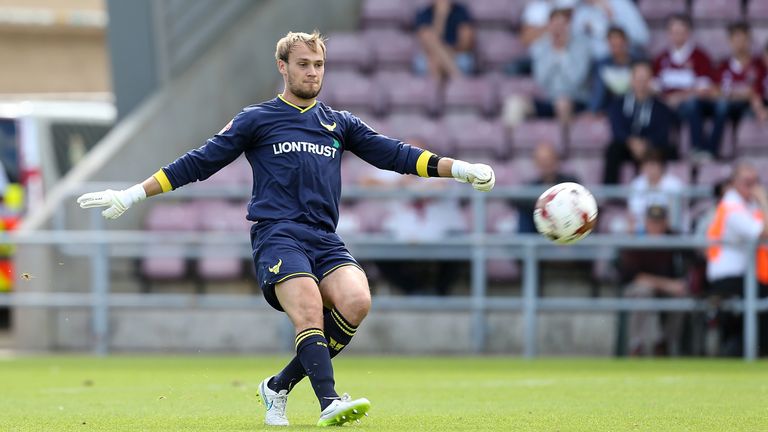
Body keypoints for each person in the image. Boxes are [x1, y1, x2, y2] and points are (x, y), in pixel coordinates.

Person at [76, 31, 495, 426]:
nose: (313, 72)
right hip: (277, 233)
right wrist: (133, 194)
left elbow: (396, 155)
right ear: (283, 67)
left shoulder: (339, 123)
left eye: (319, 65)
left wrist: (460, 169)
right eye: (303, 64)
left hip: (324, 237)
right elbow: (199, 162)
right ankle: (330, 402)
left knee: (356, 301)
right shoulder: (257, 119)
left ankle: (277, 387)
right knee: (310, 309)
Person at [706, 161, 768, 356]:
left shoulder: (746, 205)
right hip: (728, 276)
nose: (752, 186)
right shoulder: (731, 205)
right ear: (733, 183)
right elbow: (763, 232)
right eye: (746, 182)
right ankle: (743, 349)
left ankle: (746, 347)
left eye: (755, 181)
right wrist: (764, 199)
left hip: (744, 274)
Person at [621, 205, 688, 356]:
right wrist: (667, 285)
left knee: (682, 295)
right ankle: (637, 344)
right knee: (643, 292)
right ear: (645, 222)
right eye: (652, 222)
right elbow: (634, 276)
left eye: (659, 222)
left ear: (666, 223)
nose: (656, 227)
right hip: (642, 286)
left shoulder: (673, 239)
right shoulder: (636, 240)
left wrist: (676, 285)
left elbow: (691, 260)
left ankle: (665, 344)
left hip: (667, 288)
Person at [652, 14, 717, 160]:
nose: (677, 36)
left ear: (688, 33)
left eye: (681, 32)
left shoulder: (701, 57)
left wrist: (679, 97)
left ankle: (697, 148)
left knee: (692, 105)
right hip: (665, 104)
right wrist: (665, 99)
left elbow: (704, 89)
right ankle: (658, 152)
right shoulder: (661, 58)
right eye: (673, 32)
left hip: (690, 105)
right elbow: (654, 86)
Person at [603, 61, 674, 184]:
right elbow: (617, 128)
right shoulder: (618, 104)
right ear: (632, 80)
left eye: (645, 79)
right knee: (612, 150)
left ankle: (661, 190)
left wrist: (645, 143)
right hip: (626, 146)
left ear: (650, 81)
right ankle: (611, 194)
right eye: (638, 78)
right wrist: (632, 142)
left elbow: (662, 131)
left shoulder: (660, 107)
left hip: (650, 146)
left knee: (667, 150)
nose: (641, 83)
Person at [530, 7, 592, 123]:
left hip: (575, 100)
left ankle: (564, 140)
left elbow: (576, 80)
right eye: (555, 25)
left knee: (562, 104)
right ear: (549, 26)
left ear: (568, 25)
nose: (558, 29)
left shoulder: (582, 46)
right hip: (548, 100)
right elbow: (540, 80)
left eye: (561, 25)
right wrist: (554, 53)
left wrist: (563, 53)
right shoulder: (541, 46)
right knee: (515, 105)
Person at [711, 22, 764, 155]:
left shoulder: (759, 64)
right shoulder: (722, 66)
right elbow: (715, 90)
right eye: (736, 39)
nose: (740, 43)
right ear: (730, 41)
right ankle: (713, 151)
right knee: (721, 106)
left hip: (751, 107)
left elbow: (756, 91)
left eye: (743, 39)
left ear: (749, 40)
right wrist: (741, 94)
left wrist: (739, 94)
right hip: (728, 106)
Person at [517, 141, 579, 233]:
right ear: (536, 163)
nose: (545, 163)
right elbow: (518, 201)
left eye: (548, 159)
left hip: (566, 227)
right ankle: (527, 246)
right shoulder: (533, 185)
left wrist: (549, 203)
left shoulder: (570, 181)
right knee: (525, 215)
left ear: (556, 159)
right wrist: (539, 204)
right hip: (540, 230)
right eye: (541, 160)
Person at [413, 0, 475, 79]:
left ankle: (436, 87)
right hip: (432, 55)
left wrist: (448, 52)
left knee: (435, 61)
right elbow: (427, 43)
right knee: (428, 40)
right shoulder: (424, 13)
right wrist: (440, 17)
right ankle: (457, 76)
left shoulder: (461, 11)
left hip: (456, 54)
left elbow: (466, 43)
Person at [627, 149, 684, 233]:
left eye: (652, 165)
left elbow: (675, 217)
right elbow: (633, 213)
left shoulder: (674, 185)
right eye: (646, 165)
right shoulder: (636, 184)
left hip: (668, 231)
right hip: (642, 231)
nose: (649, 169)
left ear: (661, 166)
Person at [571, 0, 649, 60]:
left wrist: (614, 19)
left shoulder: (621, 4)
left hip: (621, 63)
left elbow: (643, 37)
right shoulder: (580, 11)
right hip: (590, 67)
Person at [588, 26, 640, 114]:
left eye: (619, 44)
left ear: (626, 42)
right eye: (613, 45)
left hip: (635, 106)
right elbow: (598, 91)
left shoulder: (638, 62)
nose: (616, 48)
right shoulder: (601, 64)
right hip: (610, 107)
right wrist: (594, 110)